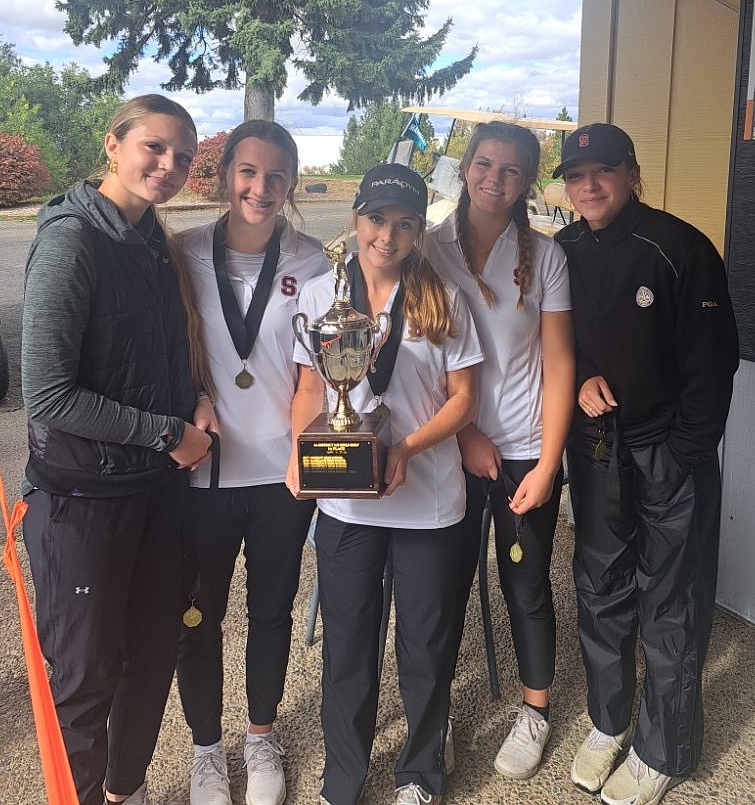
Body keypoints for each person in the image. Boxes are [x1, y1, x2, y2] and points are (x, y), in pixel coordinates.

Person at [21, 94, 217, 805]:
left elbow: (159, 355)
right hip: (83, 500)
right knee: (84, 675)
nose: (169, 165)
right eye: (155, 147)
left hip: (155, 496)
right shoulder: (74, 238)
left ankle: (123, 789)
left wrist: (193, 395)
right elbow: (47, 393)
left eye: (184, 156)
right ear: (113, 144)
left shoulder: (152, 242)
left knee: (151, 655)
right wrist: (168, 433)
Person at [553, 123, 739, 805]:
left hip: (670, 449)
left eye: (603, 171)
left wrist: (684, 456)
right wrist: (579, 383)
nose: (589, 186)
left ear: (632, 172)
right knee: (601, 588)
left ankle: (664, 747)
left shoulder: (681, 248)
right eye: (576, 176)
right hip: (598, 446)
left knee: (671, 601)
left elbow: (714, 368)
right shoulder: (563, 248)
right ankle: (608, 721)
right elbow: (560, 341)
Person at [286, 163, 483, 805]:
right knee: (346, 648)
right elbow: (313, 387)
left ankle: (420, 773)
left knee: (425, 648)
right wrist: (299, 454)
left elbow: (463, 401)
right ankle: (342, 778)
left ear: (418, 230)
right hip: (346, 505)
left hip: (428, 504)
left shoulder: (442, 296)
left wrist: (406, 447)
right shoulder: (320, 295)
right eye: (376, 219)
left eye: (404, 224)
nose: (387, 236)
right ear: (355, 219)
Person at [176, 121, 329, 805]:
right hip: (201, 474)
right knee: (198, 614)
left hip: (281, 475)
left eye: (275, 176)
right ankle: (208, 749)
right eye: (246, 171)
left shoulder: (316, 260)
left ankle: (262, 734)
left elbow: (317, 374)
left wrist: (307, 453)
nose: (260, 188)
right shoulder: (180, 253)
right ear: (224, 175)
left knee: (271, 610)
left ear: (291, 182)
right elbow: (162, 351)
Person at [427, 121, 575, 781]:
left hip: (525, 454)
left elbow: (561, 361)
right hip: (447, 451)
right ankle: (434, 719)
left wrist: (548, 463)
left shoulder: (545, 257)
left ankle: (535, 710)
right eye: (484, 163)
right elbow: (414, 364)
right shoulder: (426, 249)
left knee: (528, 584)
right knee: (444, 588)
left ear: (527, 183)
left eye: (512, 170)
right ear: (465, 167)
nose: (495, 178)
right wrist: (462, 432)